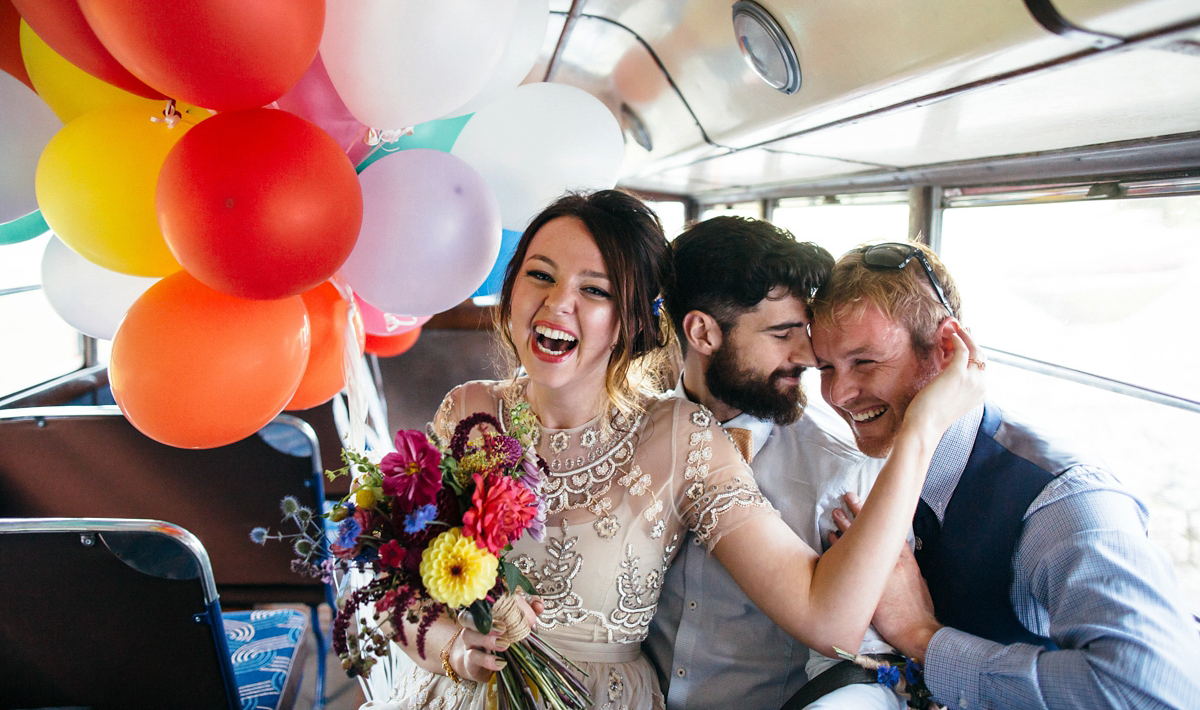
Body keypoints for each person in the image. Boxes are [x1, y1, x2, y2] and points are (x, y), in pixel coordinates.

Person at [365, 193, 984, 710]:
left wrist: (920, 430)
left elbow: (828, 620)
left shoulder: (682, 436)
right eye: (541, 274)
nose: (558, 304)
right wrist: (449, 645)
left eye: (595, 289)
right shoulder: (467, 410)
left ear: (631, 317)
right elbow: (395, 583)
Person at [807, 240, 1200, 710]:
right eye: (826, 367)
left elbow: (1155, 691)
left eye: (864, 362)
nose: (838, 393)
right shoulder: (862, 463)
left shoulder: (1062, 501)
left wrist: (923, 637)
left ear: (946, 349)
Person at [642, 216, 903, 710]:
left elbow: (861, 669)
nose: (807, 355)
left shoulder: (841, 474)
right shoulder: (633, 435)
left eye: (804, 331)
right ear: (702, 332)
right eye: (783, 334)